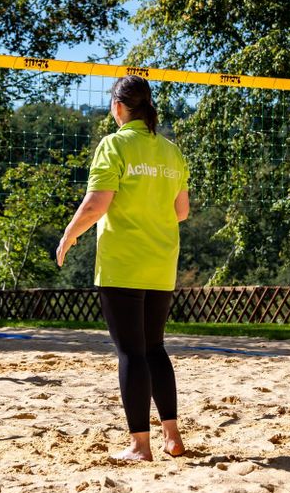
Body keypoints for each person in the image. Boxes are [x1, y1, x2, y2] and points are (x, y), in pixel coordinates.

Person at [56, 76, 190, 462]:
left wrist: (69, 234)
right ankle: (173, 436)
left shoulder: (114, 144)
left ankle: (139, 446)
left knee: (131, 353)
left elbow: (96, 204)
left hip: (122, 263)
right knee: (155, 349)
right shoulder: (170, 151)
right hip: (161, 262)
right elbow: (181, 212)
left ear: (117, 107)